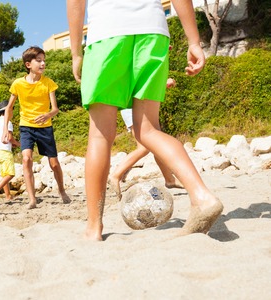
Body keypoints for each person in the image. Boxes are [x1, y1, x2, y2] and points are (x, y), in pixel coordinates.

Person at [67, 0, 223, 240]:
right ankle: (201, 196)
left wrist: (76, 52)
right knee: (148, 130)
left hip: (107, 34)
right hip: (153, 32)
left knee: (100, 135)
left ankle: (94, 227)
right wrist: (193, 41)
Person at [2, 46, 71, 209]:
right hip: (26, 126)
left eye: (44, 60)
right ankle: (32, 199)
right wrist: (6, 128)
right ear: (28, 64)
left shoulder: (48, 83)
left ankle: (62, 191)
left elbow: (55, 109)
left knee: (54, 163)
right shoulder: (18, 84)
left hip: (45, 127)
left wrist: (47, 115)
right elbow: (9, 108)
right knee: (26, 159)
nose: (42, 63)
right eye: (38, 60)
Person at [109, 78, 184, 197]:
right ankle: (116, 175)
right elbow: (140, 79)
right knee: (144, 148)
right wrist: (161, 82)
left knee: (157, 144)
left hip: (138, 105)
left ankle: (169, 179)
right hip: (134, 106)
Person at [0, 100, 21, 202]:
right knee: (10, 174)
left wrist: (12, 143)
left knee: (4, 174)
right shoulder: (8, 122)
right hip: (5, 151)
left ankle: (8, 196)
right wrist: (18, 143)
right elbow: (10, 137)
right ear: (8, 111)